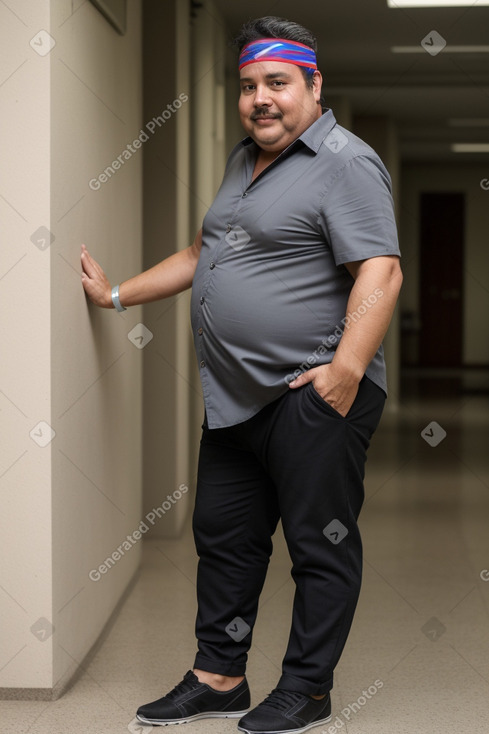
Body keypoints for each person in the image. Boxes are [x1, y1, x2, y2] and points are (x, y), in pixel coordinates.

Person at [81, 15, 402, 734]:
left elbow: (379, 269)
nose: (260, 99)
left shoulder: (345, 161)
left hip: (309, 395)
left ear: (314, 86)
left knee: (319, 543)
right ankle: (219, 678)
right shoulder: (242, 161)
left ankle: (308, 690)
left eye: (278, 84)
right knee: (225, 538)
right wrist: (115, 294)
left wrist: (344, 371)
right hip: (233, 400)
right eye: (248, 85)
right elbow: (202, 252)